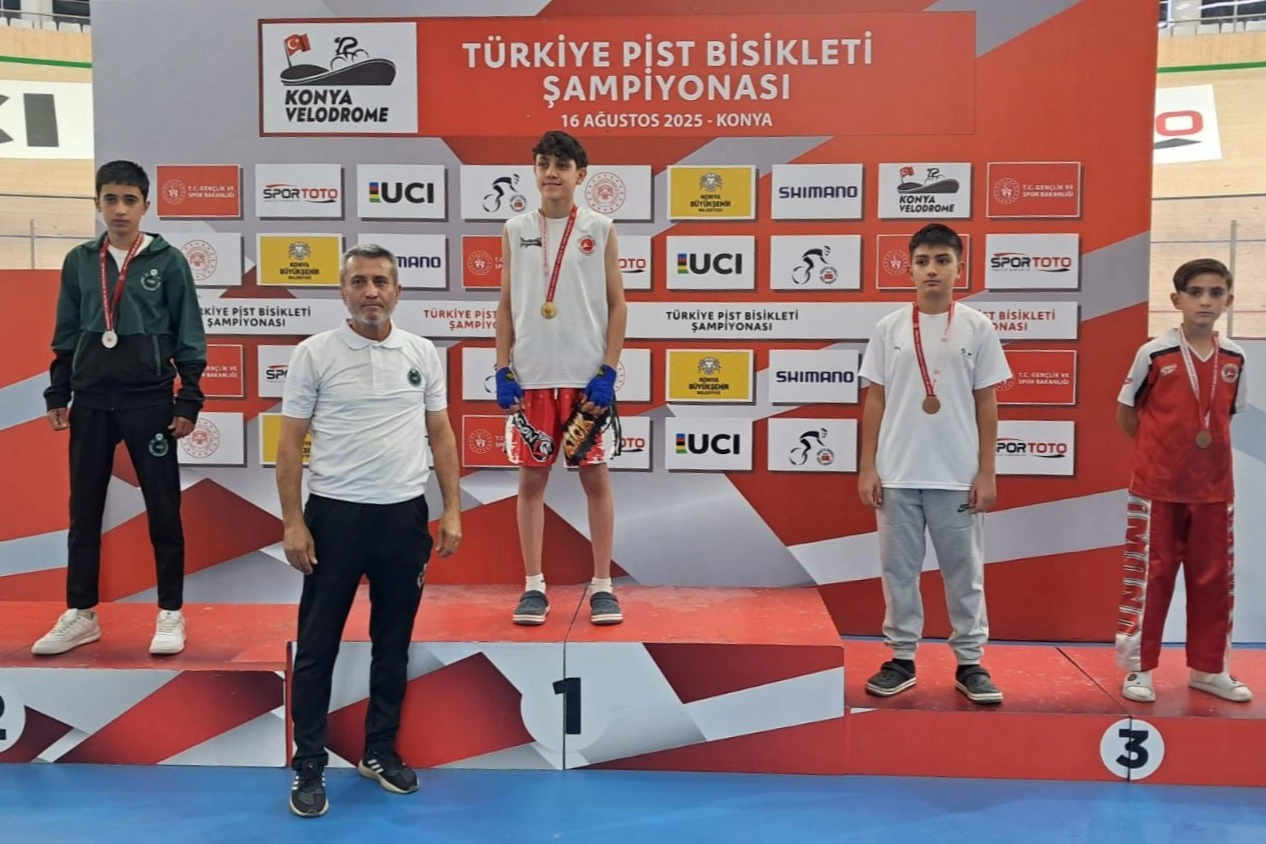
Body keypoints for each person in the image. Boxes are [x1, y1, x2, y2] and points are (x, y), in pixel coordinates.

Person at [277, 244, 463, 818]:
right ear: (343, 292)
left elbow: (441, 434)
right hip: (333, 518)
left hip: (402, 518)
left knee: (392, 644)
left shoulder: (422, 352)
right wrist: (293, 522)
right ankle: (309, 763)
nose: (371, 292)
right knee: (317, 649)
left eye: (380, 281)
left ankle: (379, 751)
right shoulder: (314, 353)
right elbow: (289, 443)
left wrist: (452, 510)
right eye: (359, 281)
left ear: (397, 291)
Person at [34, 160, 206, 657]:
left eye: (130, 200)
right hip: (90, 400)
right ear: (97, 203)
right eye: (110, 199)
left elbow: (188, 330)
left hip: (148, 399)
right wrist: (58, 392)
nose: (120, 209)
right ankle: (81, 613)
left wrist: (189, 396)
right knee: (83, 509)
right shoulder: (80, 261)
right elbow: (67, 332)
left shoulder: (168, 262)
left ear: (145, 206)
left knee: (163, 509)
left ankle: (170, 611)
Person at [857, 223, 1011, 705]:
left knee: (964, 573)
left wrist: (986, 472)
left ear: (959, 268)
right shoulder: (889, 328)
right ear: (909, 269)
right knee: (898, 571)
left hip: (956, 475)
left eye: (943, 260)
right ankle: (901, 657)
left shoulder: (977, 327)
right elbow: (875, 400)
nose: (932, 270)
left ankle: (970, 662)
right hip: (897, 473)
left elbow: (987, 403)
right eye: (922, 261)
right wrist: (867, 467)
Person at [494, 130, 628, 627]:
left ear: (580, 174)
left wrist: (607, 371)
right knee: (531, 481)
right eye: (543, 164)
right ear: (534, 170)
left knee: (595, 478)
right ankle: (533, 586)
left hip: (584, 378)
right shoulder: (514, 228)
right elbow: (506, 304)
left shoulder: (600, 227)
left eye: (562, 165)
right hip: (531, 378)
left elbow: (617, 305)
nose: (551, 173)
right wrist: (502, 367)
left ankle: (603, 586)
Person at [1115, 258, 1251, 704]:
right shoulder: (1154, 353)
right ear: (1177, 300)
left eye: (1216, 293)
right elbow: (1127, 413)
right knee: (1150, 578)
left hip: (1214, 490)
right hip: (1157, 489)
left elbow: (1225, 416)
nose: (1205, 301)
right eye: (1196, 293)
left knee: (1214, 581)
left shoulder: (1235, 358)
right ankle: (1138, 668)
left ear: (1229, 300)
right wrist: (1159, 457)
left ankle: (1209, 669)